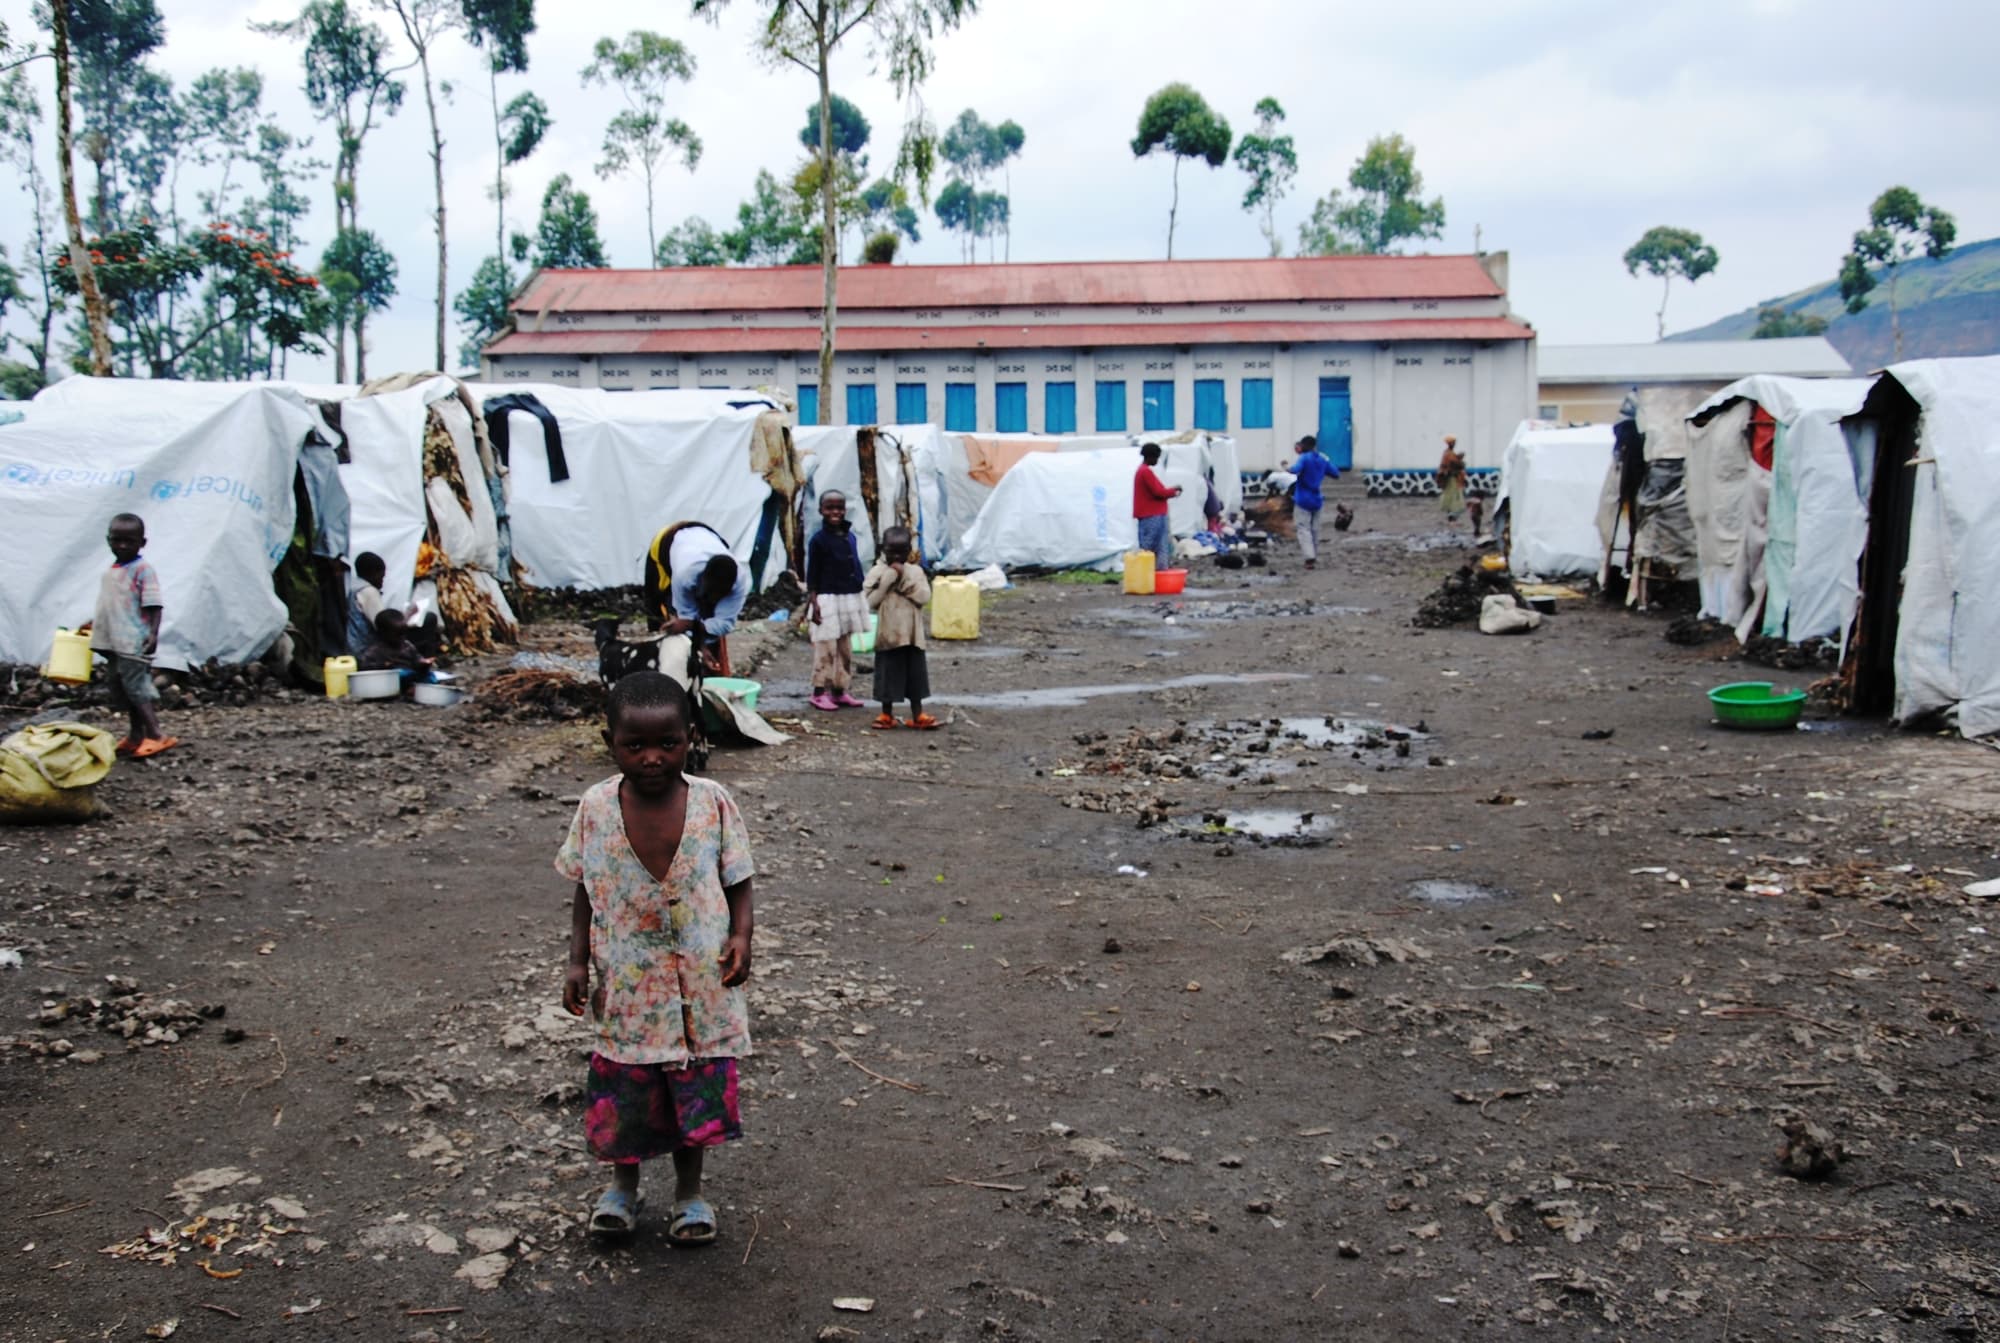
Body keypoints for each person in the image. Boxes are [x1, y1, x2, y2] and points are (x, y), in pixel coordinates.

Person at [559, 671, 755, 1243]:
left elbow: (738, 878)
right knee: (627, 1093)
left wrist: (742, 936)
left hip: (700, 984)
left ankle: (689, 1197)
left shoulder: (713, 803)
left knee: (691, 1093)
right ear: (610, 743)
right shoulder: (595, 807)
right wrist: (576, 961)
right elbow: (583, 887)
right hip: (628, 988)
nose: (651, 758)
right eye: (634, 745)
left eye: (668, 743)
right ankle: (622, 1190)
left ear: (690, 737)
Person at [81, 512, 176, 758]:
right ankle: (136, 735)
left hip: (133, 641)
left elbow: (154, 605)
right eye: (117, 540)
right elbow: (112, 605)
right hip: (114, 641)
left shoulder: (142, 570)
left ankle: (156, 734)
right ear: (108, 540)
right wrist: (95, 624)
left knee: (136, 687)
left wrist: (153, 634)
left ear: (142, 543)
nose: (122, 546)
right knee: (122, 688)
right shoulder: (112, 570)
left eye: (129, 541)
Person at [643, 523, 748, 674]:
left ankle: (707, 670)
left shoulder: (739, 583)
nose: (713, 599)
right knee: (661, 617)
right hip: (666, 543)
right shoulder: (685, 575)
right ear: (702, 579)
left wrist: (695, 628)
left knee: (708, 630)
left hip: (706, 536)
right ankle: (661, 672)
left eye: (719, 596)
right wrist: (689, 628)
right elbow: (684, 619)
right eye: (710, 594)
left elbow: (724, 623)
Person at [863, 525, 936, 730]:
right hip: (888, 635)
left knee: (915, 677)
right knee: (887, 676)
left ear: (909, 550)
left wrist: (902, 579)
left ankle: (918, 714)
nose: (896, 556)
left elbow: (924, 597)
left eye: (902, 551)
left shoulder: (915, 571)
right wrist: (885, 583)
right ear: (882, 549)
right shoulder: (877, 572)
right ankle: (886, 714)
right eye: (891, 551)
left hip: (912, 636)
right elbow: (868, 602)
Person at [804, 491, 870, 712]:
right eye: (830, 508)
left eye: (839, 508)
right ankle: (819, 692)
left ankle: (840, 691)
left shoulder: (850, 537)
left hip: (849, 596)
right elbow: (812, 575)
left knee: (844, 648)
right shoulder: (818, 540)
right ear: (821, 510)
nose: (835, 512)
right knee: (825, 648)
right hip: (827, 598)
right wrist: (813, 603)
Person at [1132, 443, 1182, 573]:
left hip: (1148, 514)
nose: (1157, 461)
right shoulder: (1145, 472)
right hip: (1152, 514)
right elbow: (1158, 492)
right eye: (1156, 457)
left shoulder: (1141, 471)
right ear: (1150, 456)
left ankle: (1150, 572)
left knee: (1152, 545)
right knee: (1155, 545)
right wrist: (1173, 491)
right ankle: (1155, 572)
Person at [1287, 434, 1335, 570]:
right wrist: (1325, 463)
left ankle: (1309, 557)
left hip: (1303, 499)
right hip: (1317, 499)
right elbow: (1335, 473)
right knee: (1315, 529)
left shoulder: (1304, 458)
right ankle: (1314, 555)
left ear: (1304, 445)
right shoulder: (1322, 458)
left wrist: (1287, 468)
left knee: (1303, 528)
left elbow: (1295, 469)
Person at [357, 608, 438, 688]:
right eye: (398, 635)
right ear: (383, 633)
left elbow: (416, 658)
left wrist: (423, 663)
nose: (402, 638)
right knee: (401, 674)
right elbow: (364, 666)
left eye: (404, 634)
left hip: (410, 674)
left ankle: (413, 687)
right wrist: (382, 665)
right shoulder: (376, 650)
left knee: (430, 676)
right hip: (389, 679)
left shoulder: (407, 645)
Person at [1437, 435, 1470, 530]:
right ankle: (1452, 520)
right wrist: (1460, 461)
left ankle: (1451, 520)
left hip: (1453, 479)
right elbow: (1456, 465)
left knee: (1451, 499)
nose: (1454, 444)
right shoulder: (1449, 455)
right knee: (1454, 500)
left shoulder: (1448, 454)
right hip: (1452, 480)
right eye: (1453, 443)